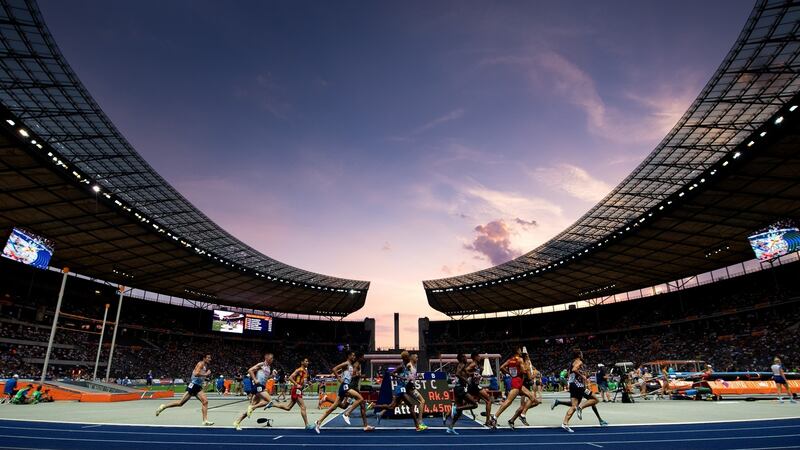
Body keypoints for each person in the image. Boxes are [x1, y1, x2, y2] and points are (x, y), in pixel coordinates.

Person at [315, 351, 374, 433]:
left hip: (345, 387)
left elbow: (350, 375)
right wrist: (339, 379)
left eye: (354, 355)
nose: (354, 357)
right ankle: (347, 414)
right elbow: (334, 369)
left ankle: (319, 421)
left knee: (334, 407)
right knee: (360, 398)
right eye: (352, 355)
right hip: (345, 386)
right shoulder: (346, 363)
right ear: (349, 356)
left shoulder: (350, 365)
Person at [554, 348, 607, 432]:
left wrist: (579, 377)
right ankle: (580, 407)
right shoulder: (579, 362)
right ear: (579, 355)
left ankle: (565, 423)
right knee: (595, 399)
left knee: (573, 406)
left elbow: (571, 373)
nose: (582, 355)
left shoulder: (572, 363)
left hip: (573, 385)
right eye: (581, 354)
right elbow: (575, 370)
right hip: (578, 386)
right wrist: (583, 377)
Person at [373, 351, 426, 431]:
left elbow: (410, 376)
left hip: (403, 388)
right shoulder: (404, 366)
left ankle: (379, 412)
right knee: (412, 404)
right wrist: (402, 378)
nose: (410, 357)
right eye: (408, 356)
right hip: (402, 388)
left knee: (393, 405)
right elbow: (392, 374)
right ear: (406, 358)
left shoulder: (407, 365)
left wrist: (413, 377)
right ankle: (419, 424)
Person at [155, 354, 214, 425]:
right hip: (193, 386)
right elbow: (196, 373)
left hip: (197, 386)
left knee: (205, 402)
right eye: (208, 358)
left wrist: (205, 379)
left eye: (210, 358)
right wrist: (206, 375)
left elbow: (199, 375)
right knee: (180, 403)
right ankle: (164, 406)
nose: (210, 359)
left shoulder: (205, 366)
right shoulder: (200, 364)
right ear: (204, 358)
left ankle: (205, 421)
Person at [490, 347, 538, 429]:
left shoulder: (510, 360)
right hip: (517, 382)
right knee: (508, 401)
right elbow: (524, 371)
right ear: (517, 351)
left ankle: (520, 415)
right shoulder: (520, 360)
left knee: (533, 399)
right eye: (520, 350)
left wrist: (509, 373)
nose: (521, 351)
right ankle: (494, 417)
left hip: (516, 381)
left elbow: (501, 367)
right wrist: (529, 368)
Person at [233, 353, 275, 430]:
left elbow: (265, 377)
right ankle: (252, 407)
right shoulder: (261, 364)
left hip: (262, 386)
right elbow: (250, 370)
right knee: (269, 401)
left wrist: (272, 375)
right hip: (258, 386)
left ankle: (237, 422)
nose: (272, 360)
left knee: (251, 408)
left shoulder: (269, 367)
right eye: (271, 358)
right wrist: (255, 379)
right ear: (267, 358)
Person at [444, 353, 478, 434]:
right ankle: (455, 408)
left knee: (459, 412)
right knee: (474, 404)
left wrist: (472, 374)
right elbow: (457, 374)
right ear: (462, 358)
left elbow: (465, 373)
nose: (467, 358)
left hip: (458, 388)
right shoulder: (462, 364)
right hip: (460, 388)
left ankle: (450, 427)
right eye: (465, 357)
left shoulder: (462, 365)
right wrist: (467, 381)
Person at [274, 358, 312, 428]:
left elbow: (304, 379)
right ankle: (307, 425)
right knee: (303, 407)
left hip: (298, 390)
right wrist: (296, 384)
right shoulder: (299, 370)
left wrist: (309, 383)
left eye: (308, 361)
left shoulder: (306, 371)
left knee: (288, 408)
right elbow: (290, 378)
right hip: (296, 390)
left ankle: (273, 404)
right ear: (302, 362)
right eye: (306, 361)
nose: (307, 362)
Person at [467, 352, 494, 427]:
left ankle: (455, 409)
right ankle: (488, 421)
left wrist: (479, 372)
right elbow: (466, 370)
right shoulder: (473, 364)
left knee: (467, 403)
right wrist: (473, 374)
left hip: (474, 385)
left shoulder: (478, 365)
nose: (480, 357)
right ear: (475, 357)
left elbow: (477, 374)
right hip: (474, 386)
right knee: (488, 400)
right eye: (478, 356)